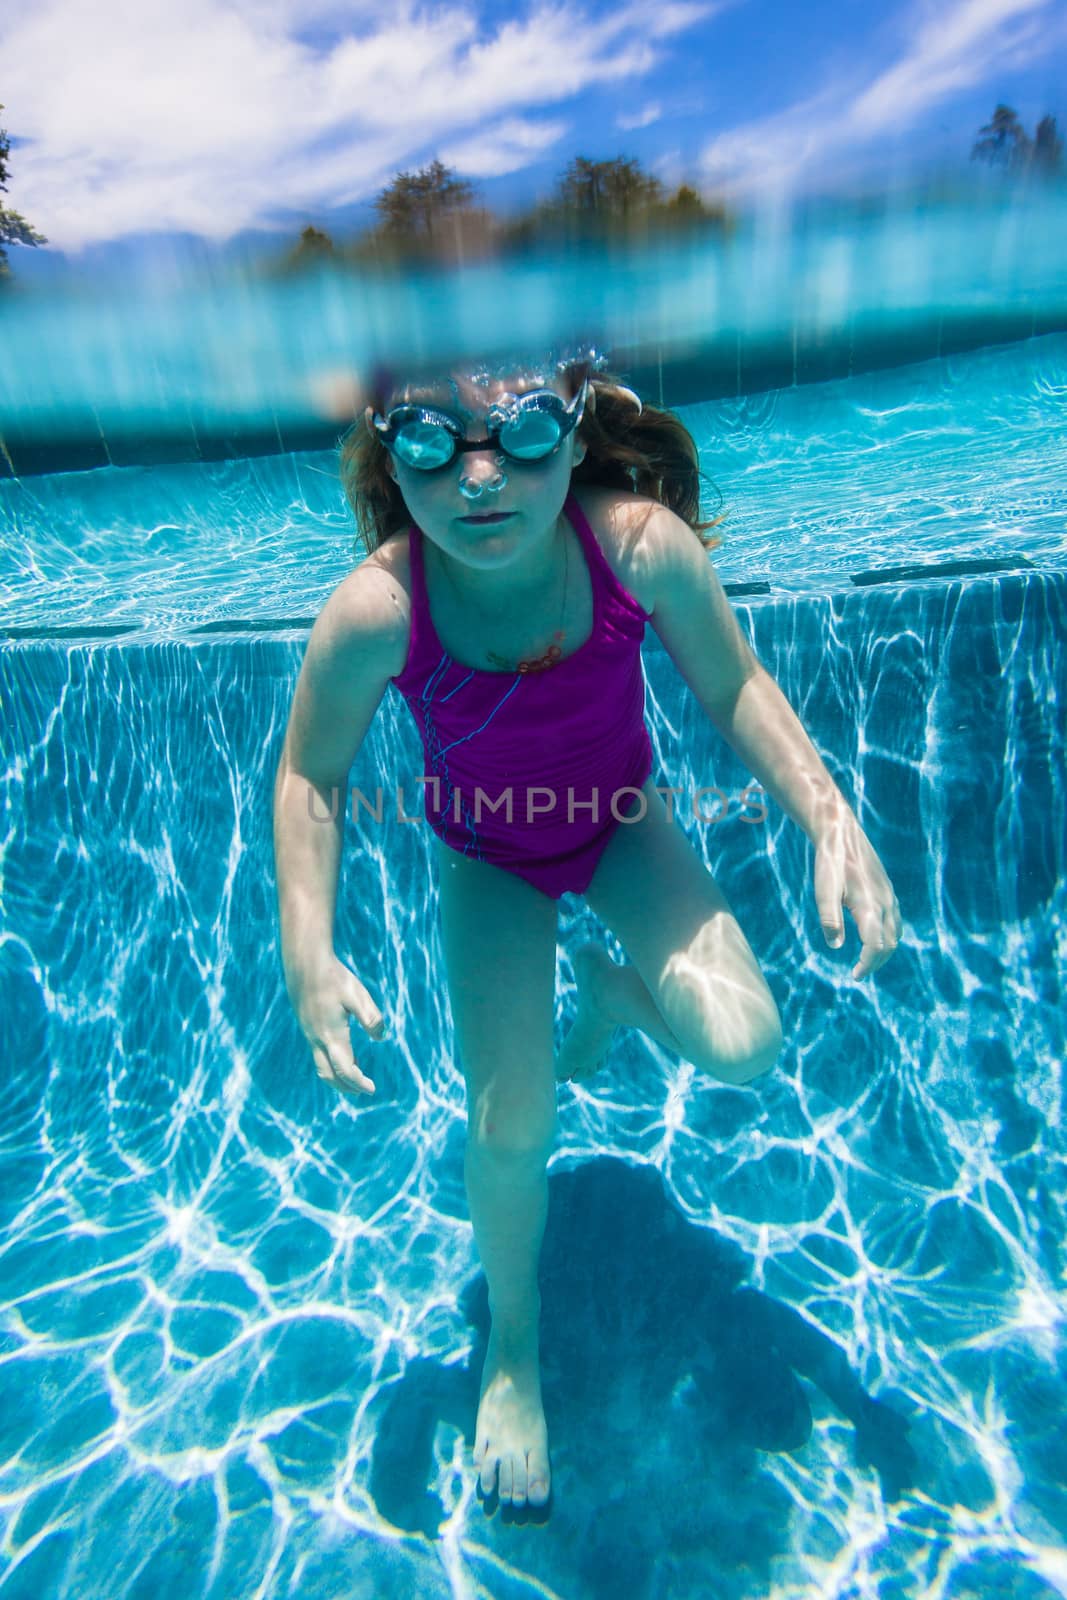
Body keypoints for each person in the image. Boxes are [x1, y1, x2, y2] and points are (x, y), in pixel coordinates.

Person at [272, 350, 902, 1514]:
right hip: (488, 863)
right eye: (428, 442)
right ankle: (511, 1345)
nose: (477, 476)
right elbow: (312, 776)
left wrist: (824, 810)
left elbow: (735, 686)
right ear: (384, 452)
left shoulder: (634, 548)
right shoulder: (379, 610)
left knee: (744, 1043)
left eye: (516, 434)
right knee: (510, 1123)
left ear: (570, 431)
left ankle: (617, 997)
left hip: (621, 826)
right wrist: (306, 952)